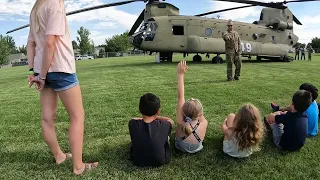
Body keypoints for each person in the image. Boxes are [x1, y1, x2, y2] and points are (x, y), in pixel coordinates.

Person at [27, 0, 98, 175]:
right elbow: (50, 42)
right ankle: (78, 166)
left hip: (42, 70)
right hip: (59, 68)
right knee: (77, 116)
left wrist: (34, 71)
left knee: (47, 119)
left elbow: (31, 44)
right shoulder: (55, 4)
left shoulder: (35, 8)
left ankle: (59, 156)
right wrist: (41, 76)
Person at [129, 93, 174, 167]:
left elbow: (133, 119)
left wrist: (145, 118)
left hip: (137, 160)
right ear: (158, 111)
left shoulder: (132, 123)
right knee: (166, 137)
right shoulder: (165, 124)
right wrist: (156, 117)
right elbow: (171, 121)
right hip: (161, 160)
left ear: (139, 109)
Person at [175, 60, 208, 153]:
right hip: (197, 147)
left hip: (180, 146)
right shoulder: (204, 123)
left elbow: (180, 97)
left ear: (183, 112)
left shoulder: (180, 121)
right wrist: (197, 109)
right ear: (200, 113)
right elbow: (200, 116)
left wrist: (180, 74)